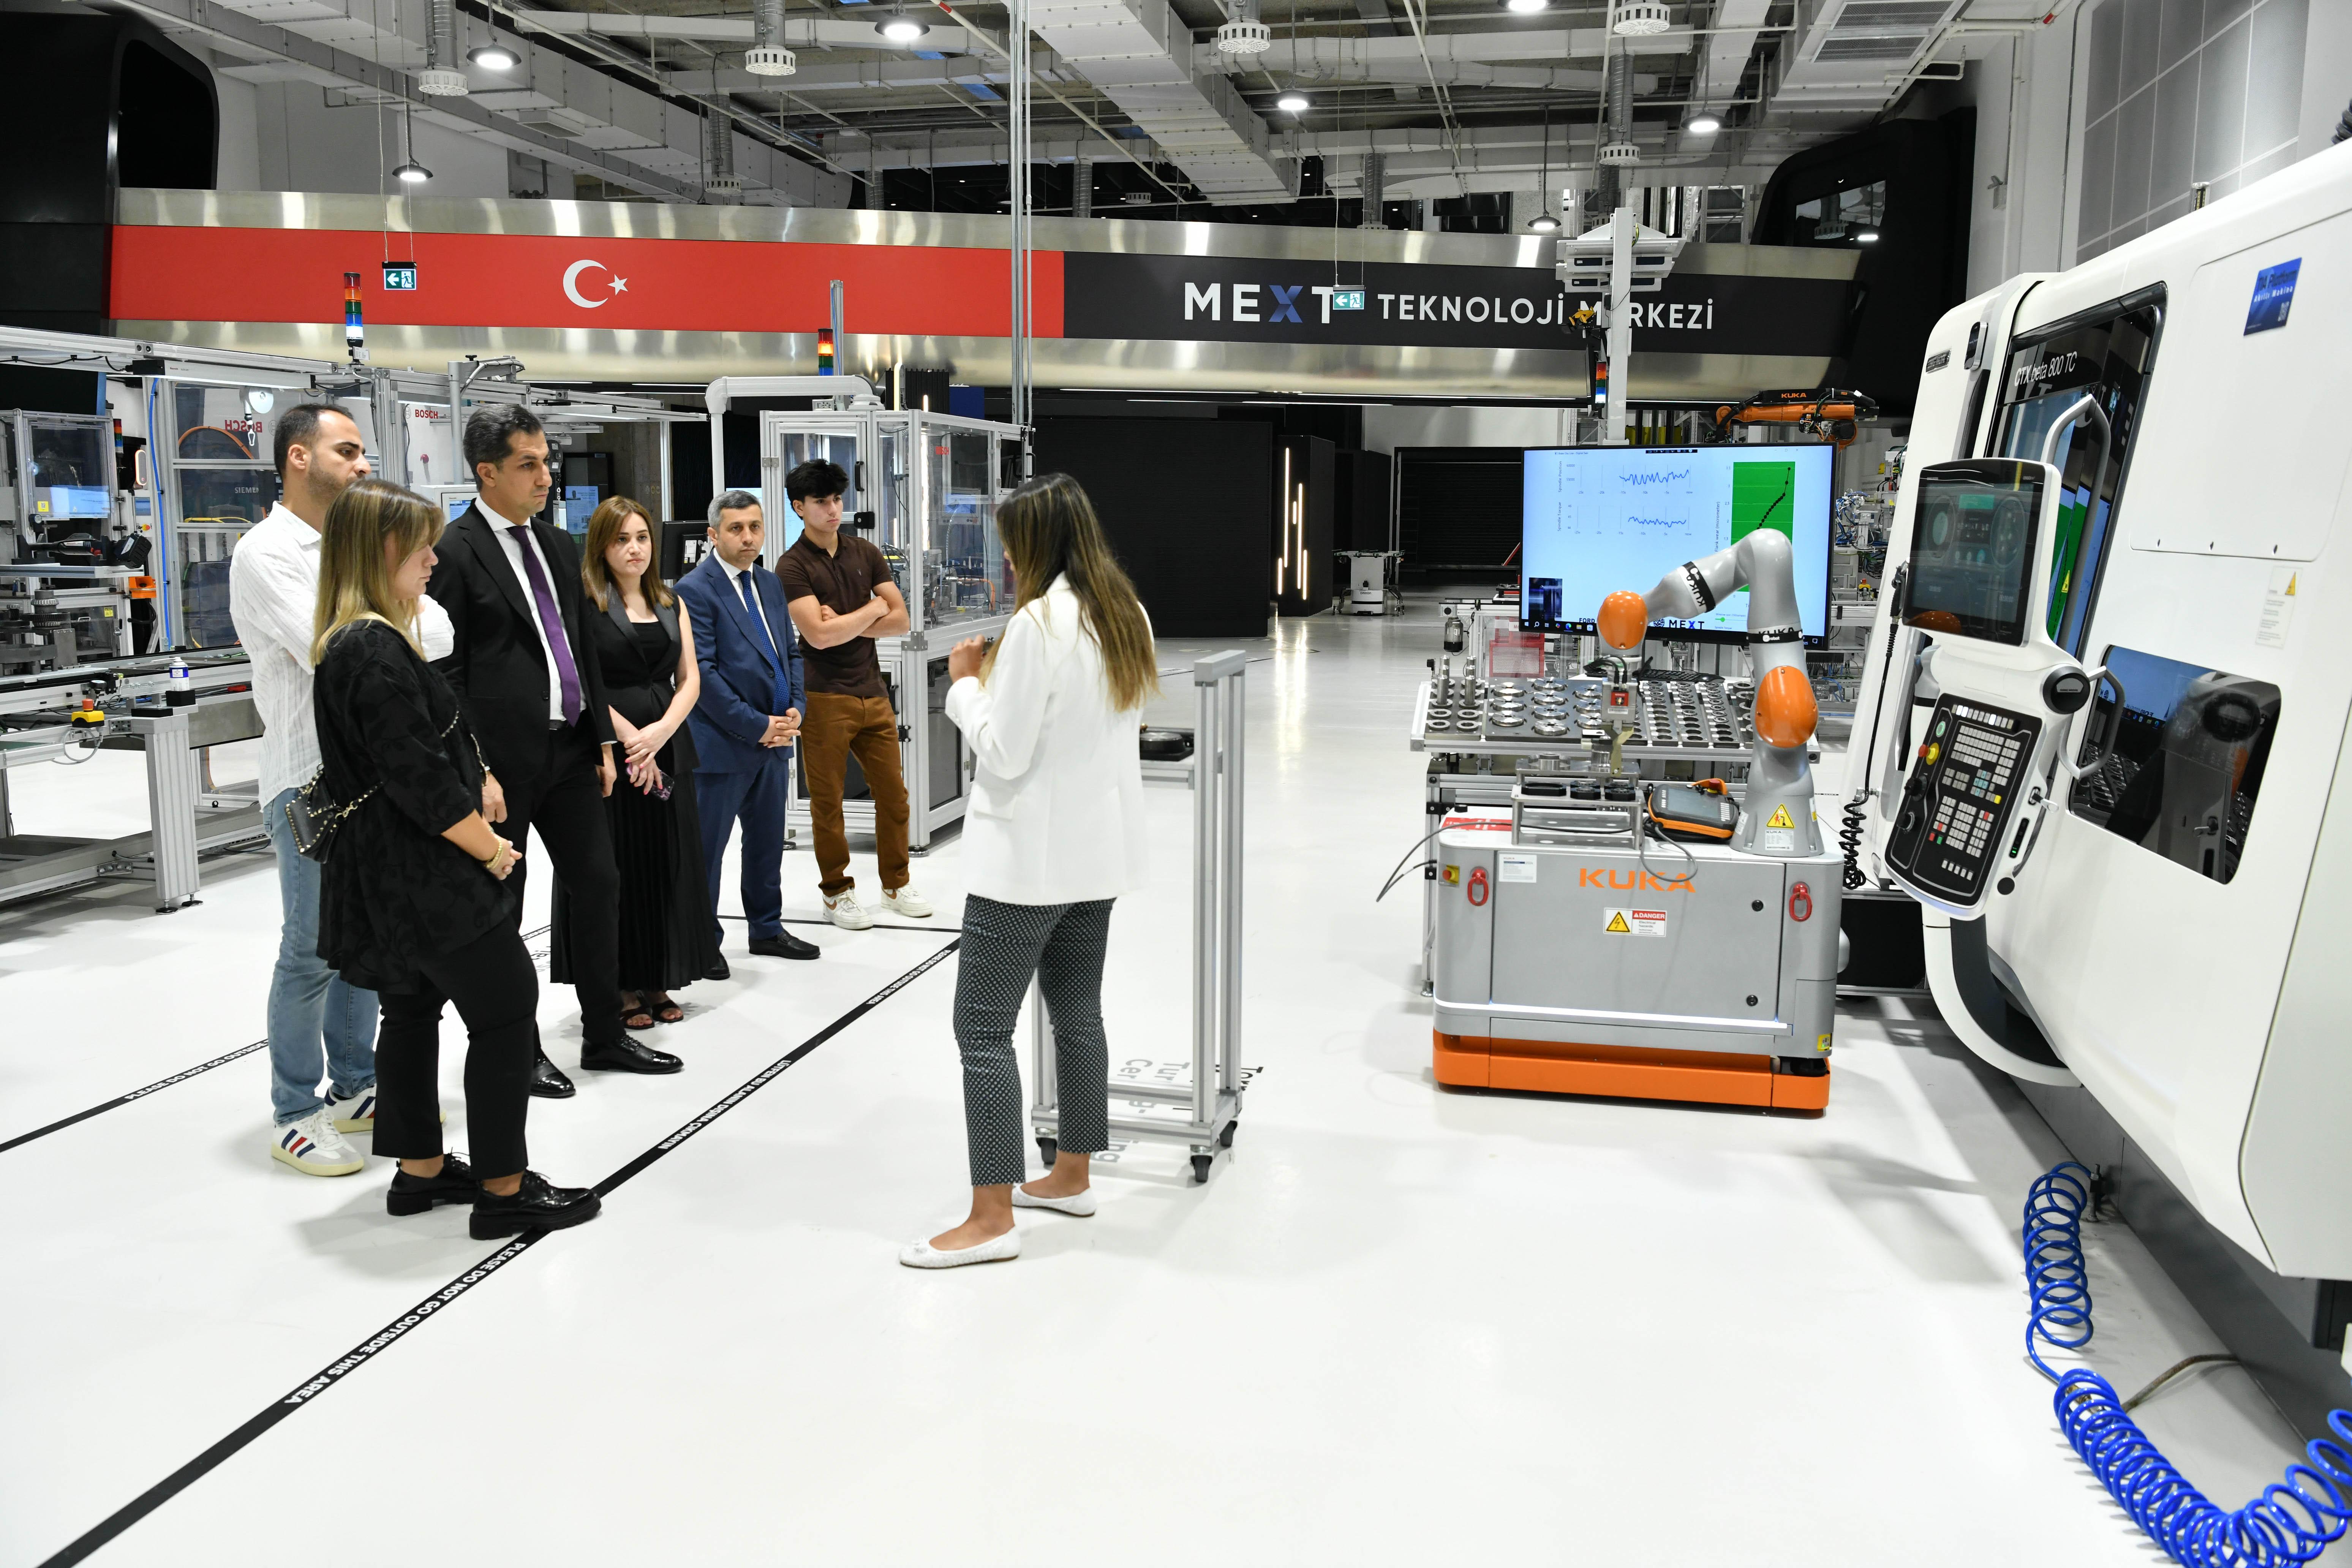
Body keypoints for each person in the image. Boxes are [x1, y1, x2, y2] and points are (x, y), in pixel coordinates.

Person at [310, 478, 600, 1238]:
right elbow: (421, 782)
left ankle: (420, 1170)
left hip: (386, 872)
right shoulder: (372, 649)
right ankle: (503, 1189)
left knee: (410, 1012)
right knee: (505, 1008)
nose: (434, 559)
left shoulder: (358, 640)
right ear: (383, 550)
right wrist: (491, 850)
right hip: (423, 871)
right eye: (422, 547)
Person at [901, 473, 1155, 1268]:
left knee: (981, 1030)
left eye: (1011, 542)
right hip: (1096, 857)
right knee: (1077, 1014)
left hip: (1024, 869)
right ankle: (1072, 1173)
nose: (1006, 558)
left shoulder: (1040, 624)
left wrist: (963, 686)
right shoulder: (1125, 614)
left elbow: (1004, 751)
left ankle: (991, 1216)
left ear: (1034, 541)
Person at [230, 401, 454, 1176]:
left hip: (368, 777)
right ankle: (294, 1111)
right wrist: (392, 622)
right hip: (308, 781)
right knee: (310, 949)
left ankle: (355, 1085)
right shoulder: (267, 552)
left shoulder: (352, 545)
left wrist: (389, 625)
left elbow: (439, 632)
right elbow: (332, 647)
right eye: (348, 451)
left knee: (363, 935)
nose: (364, 464)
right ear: (299, 457)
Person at [426, 405, 679, 1087]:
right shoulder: (455, 551)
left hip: (569, 750)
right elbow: (446, 674)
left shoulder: (559, 545)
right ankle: (517, 1048)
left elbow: (581, 652)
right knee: (504, 907)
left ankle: (605, 1035)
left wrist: (602, 740)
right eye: (529, 465)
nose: (545, 477)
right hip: (501, 765)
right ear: (487, 473)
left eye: (547, 462)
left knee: (598, 885)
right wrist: (475, 768)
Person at [550, 497, 722, 1026]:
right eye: (622, 539)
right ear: (601, 546)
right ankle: (620, 985)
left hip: (667, 743)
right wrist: (630, 740)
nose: (634, 549)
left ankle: (656, 977)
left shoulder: (671, 601)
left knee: (665, 863)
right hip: (610, 748)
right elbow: (580, 680)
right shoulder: (585, 603)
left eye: (642, 538)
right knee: (617, 868)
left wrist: (662, 731)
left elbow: (689, 679)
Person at [776, 459, 933, 929]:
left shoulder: (866, 552)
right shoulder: (792, 566)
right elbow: (819, 638)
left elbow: (901, 620)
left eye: (838, 500)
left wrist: (843, 621)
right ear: (799, 507)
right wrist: (871, 609)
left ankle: (896, 885)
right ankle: (836, 892)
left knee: (895, 796)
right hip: (824, 695)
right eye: (821, 502)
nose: (833, 510)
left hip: (872, 690)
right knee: (828, 803)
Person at [674, 490, 817, 966]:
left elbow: (789, 652)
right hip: (722, 745)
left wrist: (796, 708)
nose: (748, 537)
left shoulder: (770, 584)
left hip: (775, 743)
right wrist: (757, 725)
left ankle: (767, 929)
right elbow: (703, 674)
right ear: (713, 535)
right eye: (736, 529)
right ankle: (702, 943)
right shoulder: (695, 590)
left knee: (766, 845)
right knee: (707, 852)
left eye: (755, 527)